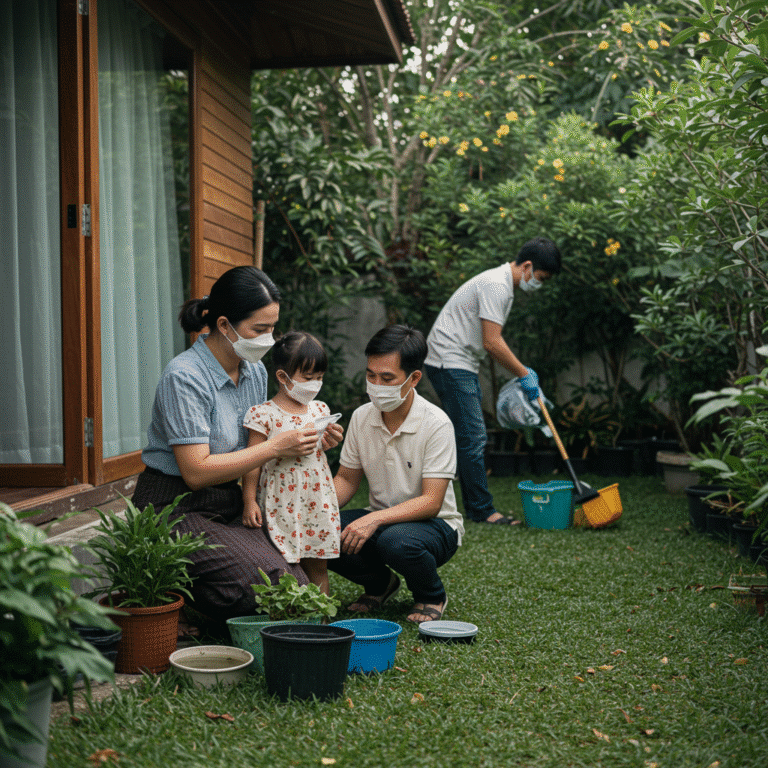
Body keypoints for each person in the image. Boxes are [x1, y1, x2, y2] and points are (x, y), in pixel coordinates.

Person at [131, 266, 342, 628]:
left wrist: (312, 442)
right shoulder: (184, 377)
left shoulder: (254, 371)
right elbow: (196, 473)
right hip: (174, 504)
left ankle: (199, 595)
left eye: (272, 328)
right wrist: (276, 447)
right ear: (225, 325)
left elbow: (260, 438)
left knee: (297, 585)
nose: (268, 339)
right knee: (272, 586)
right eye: (259, 330)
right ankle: (181, 596)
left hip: (228, 500)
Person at [329, 325, 464, 624]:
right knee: (321, 530)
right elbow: (347, 479)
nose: (376, 385)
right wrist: (313, 511)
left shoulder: (436, 424)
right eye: (371, 375)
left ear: (414, 378)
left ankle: (431, 595)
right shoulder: (362, 417)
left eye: (387, 378)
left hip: (435, 525)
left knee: (397, 542)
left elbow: (432, 502)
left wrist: (374, 519)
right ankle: (380, 585)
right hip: (382, 521)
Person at [425, 237, 562, 525]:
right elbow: (492, 341)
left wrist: (521, 373)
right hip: (449, 361)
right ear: (527, 266)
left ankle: (470, 505)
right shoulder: (497, 285)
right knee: (472, 438)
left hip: (457, 362)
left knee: (467, 436)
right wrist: (523, 373)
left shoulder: (501, 284)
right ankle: (481, 511)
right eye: (541, 277)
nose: (539, 284)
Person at [241, 331, 340, 595]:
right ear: (283, 377)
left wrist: (329, 442)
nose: (315, 384)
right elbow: (252, 461)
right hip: (281, 501)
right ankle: (291, 616)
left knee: (318, 565)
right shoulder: (264, 415)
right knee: (285, 564)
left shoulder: (320, 410)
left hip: (316, 499)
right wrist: (249, 500)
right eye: (308, 378)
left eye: (320, 377)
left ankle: (321, 616)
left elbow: (317, 451)